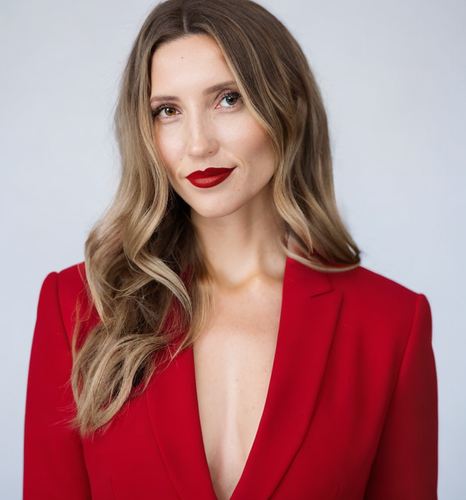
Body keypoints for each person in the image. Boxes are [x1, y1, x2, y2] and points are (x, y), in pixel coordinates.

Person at [23, 0, 438, 498]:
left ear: (289, 105)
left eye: (228, 99)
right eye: (168, 111)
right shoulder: (77, 308)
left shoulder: (390, 324)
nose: (198, 144)